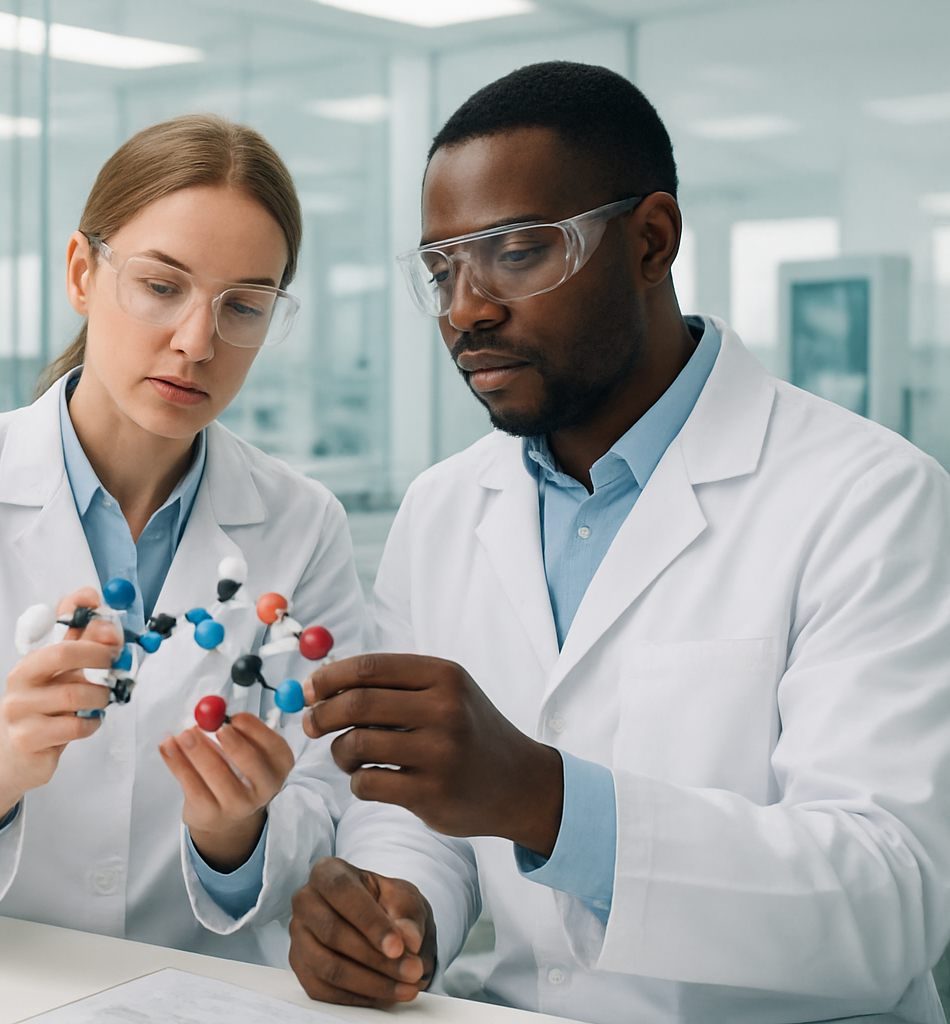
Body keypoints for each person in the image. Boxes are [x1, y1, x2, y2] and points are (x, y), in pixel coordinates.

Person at [286, 62, 950, 1023]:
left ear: (651, 241)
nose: (467, 308)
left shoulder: (869, 500)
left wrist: (549, 803)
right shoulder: (442, 511)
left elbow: (894, 898)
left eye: (517, 251)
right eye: (441, 269)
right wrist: (399, 913)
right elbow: (415, 813)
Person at [0, 114, 364, 964]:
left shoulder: (304, 522)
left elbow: (325, 810)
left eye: (244, 306)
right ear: (80, 272)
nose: (196, 341)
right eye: (161, 285)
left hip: (191, 995)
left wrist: (235, 836)